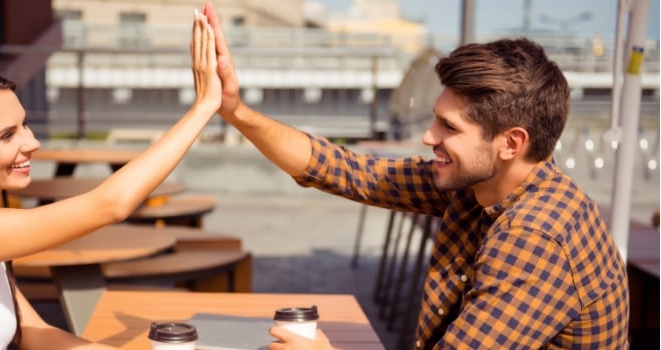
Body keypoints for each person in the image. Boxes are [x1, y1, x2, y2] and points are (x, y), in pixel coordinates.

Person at [200, 3, 629, 349]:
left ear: (511, 144)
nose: (428, 137)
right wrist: (235, 111)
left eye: (450, 127)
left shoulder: (536, 235)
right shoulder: (480, 184)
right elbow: (345, 170)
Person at [0, 9, 220, 350]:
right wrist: (203, 107)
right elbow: (111, 204)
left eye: (24, 124)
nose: (31, 142)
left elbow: (34, 332)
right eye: (7, 135)